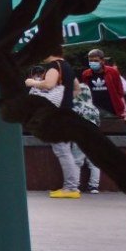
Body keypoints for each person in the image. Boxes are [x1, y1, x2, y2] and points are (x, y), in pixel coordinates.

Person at [25, 53, 80, 198]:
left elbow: (49, 84)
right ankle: (72, 186)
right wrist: (66, 99)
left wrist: (32, 82)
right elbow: (77, 88)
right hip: (67, 112)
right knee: (65, 150)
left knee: (62, 150)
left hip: (56, 115)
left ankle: (71, 188)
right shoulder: (67, 66)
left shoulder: (54, 66)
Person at [69, 77, 103, 193]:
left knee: (76, 161)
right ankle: (94, 186)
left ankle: (75, 185)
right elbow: (98, 123)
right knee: (94, 162)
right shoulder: (94, 109)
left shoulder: (75, 107)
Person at [80, 48, 126, 125]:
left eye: (96, 61)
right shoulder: (86, 74)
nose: (93, 63)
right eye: (90, 61)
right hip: (95, 109)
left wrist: (123, 110)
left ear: (102, 61)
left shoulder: (112, 72)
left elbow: (119, 91)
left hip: (112, 108)